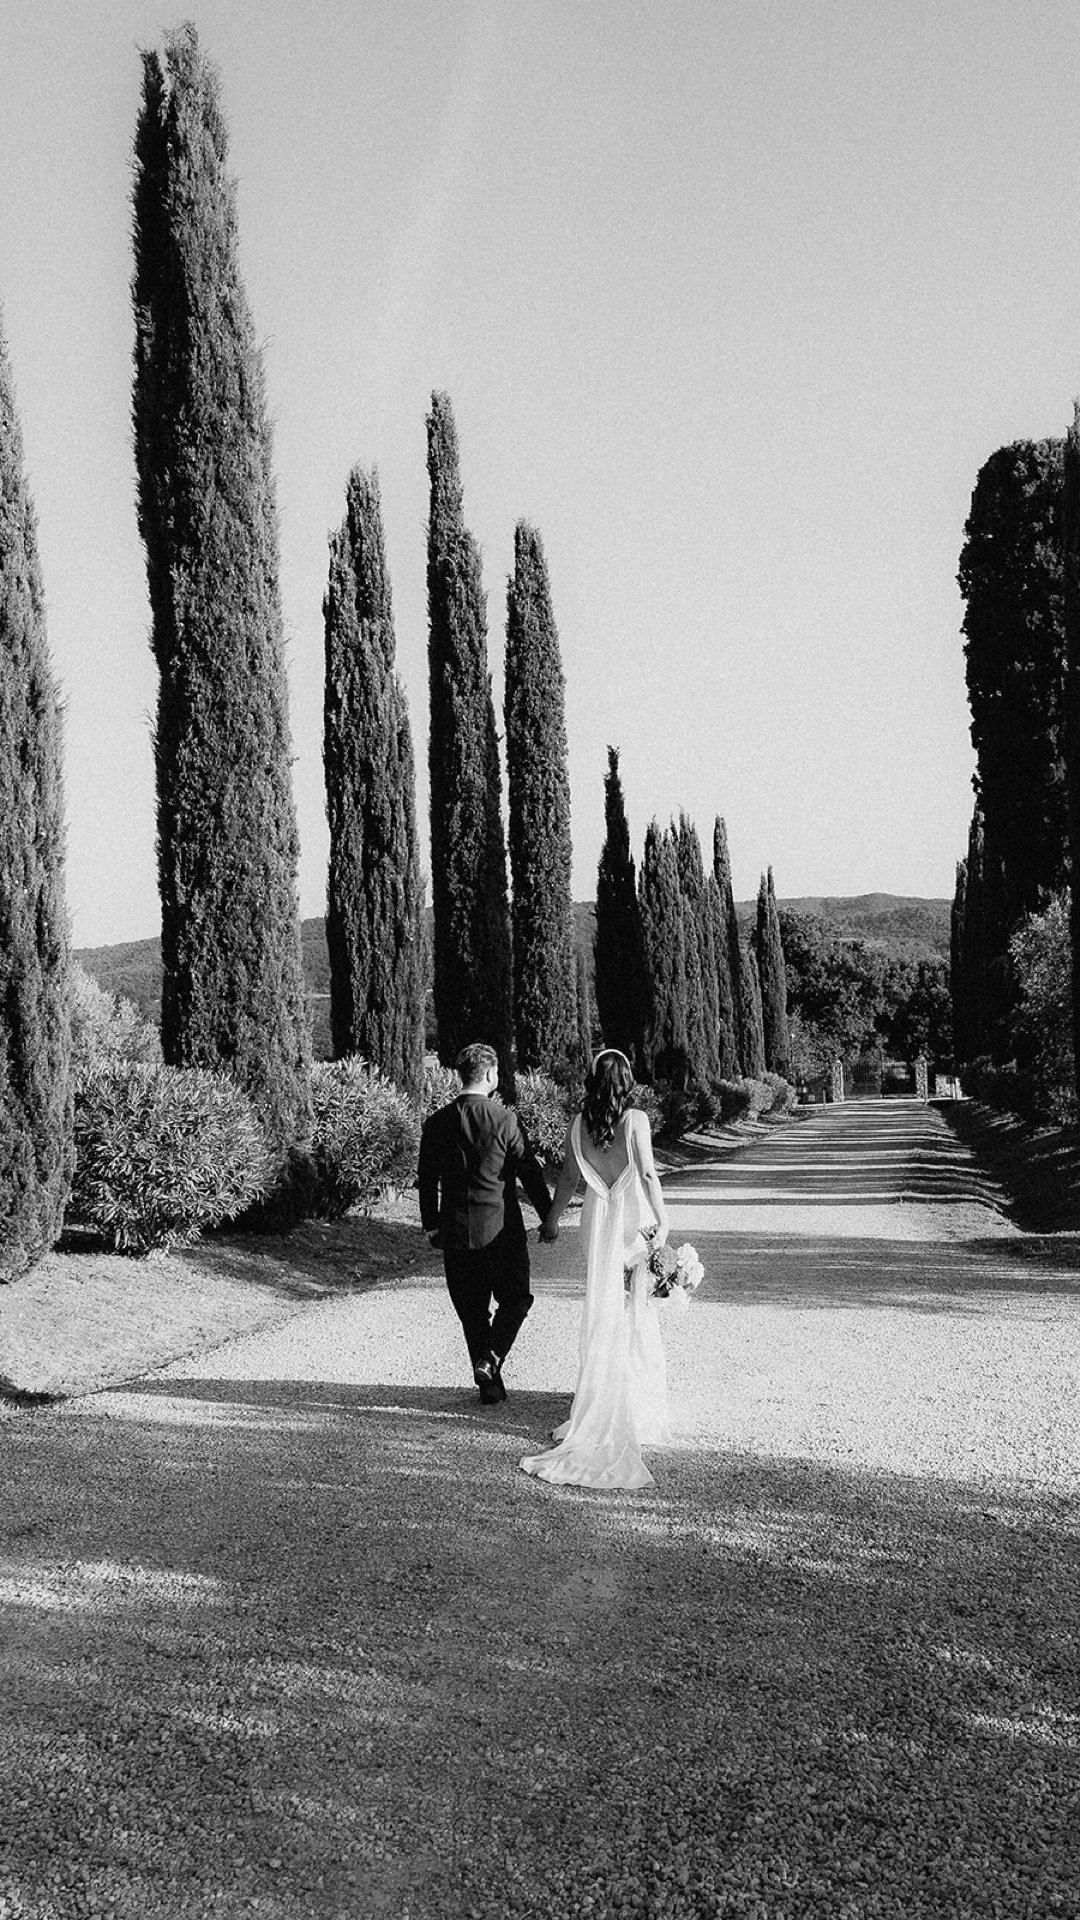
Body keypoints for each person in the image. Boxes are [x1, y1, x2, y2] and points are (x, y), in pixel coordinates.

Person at [521, 1048, 670, 1490]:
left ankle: (602, 1396)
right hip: (631, 1223)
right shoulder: (636, 1121)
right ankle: (635, 1403)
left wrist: (550, 1221)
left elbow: (567, 1180)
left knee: (604, 1306)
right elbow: (646, 1174)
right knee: (635, 1310)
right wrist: (664, 1219)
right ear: (626, 1081)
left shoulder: (578, 1124)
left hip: (598, 1223)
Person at [418, 1041, 553, 1404]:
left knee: (472, 1309)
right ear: (491, 1075)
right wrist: (548, 1217)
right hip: (502, 1229)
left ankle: (489, 1383)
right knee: (517, 1299)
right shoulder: (505, 1120)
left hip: (456, 1230)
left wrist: (431, 1225)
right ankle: (491, 1360)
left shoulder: (436, 1123)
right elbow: (529, 1172)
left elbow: (426, 1179)